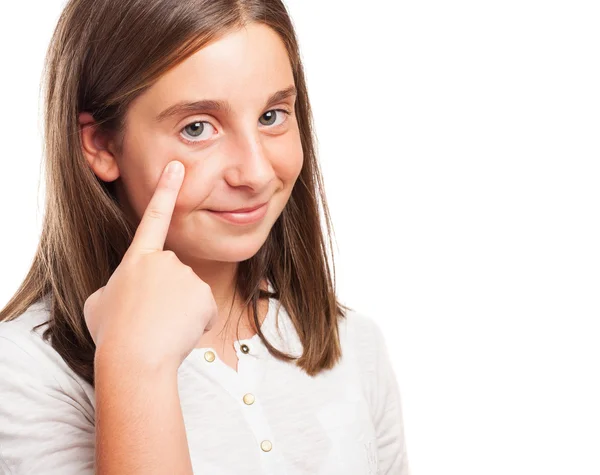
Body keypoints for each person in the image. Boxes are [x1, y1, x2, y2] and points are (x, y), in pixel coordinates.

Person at [0, 1, 409, 474]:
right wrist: (135, 367)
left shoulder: (352, 343)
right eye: (197, 128)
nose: (255, 173)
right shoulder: (22, 372)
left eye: (273, 116)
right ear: (101, 145)